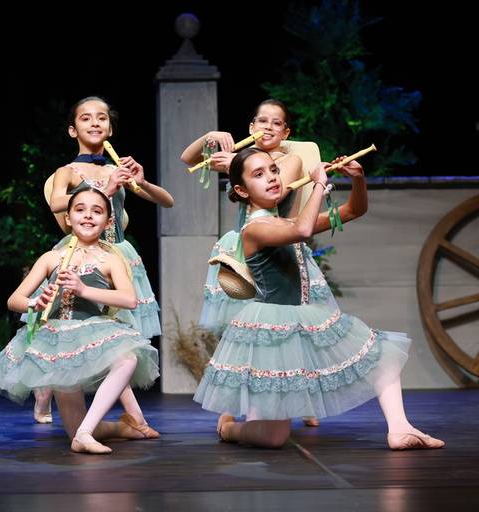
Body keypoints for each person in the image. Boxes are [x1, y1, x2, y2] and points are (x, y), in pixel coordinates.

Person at [193, 148, 444, 450]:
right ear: (242, 190)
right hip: (274, 328)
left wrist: (358, 179)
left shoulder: (283, 223)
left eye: (273, 170)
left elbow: (353, 211)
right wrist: (319, 185)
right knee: (273, 438)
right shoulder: (254, 229)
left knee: (383, 355)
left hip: (304, 317)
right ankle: (230, 429)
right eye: (259, 174)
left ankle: (400, 429)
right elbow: (303, 229)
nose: (271, 178)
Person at [32, 96, 173, 426]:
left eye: (102, 118)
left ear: (110, 128)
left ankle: (134, 416)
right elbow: (56, 204)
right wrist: (104, 190)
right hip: (81, 254)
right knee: (69, 327)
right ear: (73, 130)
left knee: (116, 336)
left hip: (117, 255)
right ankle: (45, 393)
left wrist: (141, 180)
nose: (95, 122)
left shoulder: (116, 169)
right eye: (86, 118)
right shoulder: (67, 171)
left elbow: (167, 201)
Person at [0, 187, 160, 454]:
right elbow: (14, 300)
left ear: (108, 222)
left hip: (93, 332)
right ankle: (121, 428)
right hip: (57, 341)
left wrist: (83, 289)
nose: (88, 215)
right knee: (77, 427)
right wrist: (35, 303)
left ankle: (84, 434)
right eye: (80, 209)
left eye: (97, 211)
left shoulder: (110, 260)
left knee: (127, 359)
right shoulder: (51, 258)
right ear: (68, 218)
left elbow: (129, 299)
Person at [182, 99, 320, 428]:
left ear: (286, 132)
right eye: (261, 121)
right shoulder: (244, 161)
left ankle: (303, 399)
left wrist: (236, 162)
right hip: (245, 244)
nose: (267, 127)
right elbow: (189, 159)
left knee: (295, 327)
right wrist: (209, 137)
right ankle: (232, 404)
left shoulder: (289, 160)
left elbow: (278, 192)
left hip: (279, 244)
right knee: (243, 329)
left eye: (276, 123)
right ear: (250, 127)